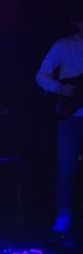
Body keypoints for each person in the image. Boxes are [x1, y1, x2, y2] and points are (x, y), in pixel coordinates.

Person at [36, 15, 83, 236]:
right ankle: (64, 215)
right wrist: (58, 87)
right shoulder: (63, 45)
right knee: (66, 167)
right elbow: (41, 75)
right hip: (71, 115)